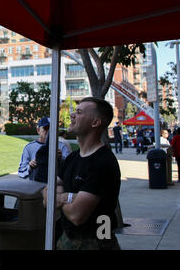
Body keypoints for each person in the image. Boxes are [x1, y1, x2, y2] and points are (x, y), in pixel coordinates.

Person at [42, 97, 121, 250]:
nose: (72, 115)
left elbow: (77, 215)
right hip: (67, 239)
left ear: (95, 123)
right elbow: (46, 194)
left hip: (96, 243)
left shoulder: (102, 162)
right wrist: (69, 197)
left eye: (79, 112)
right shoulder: (73, 158)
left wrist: (57, 197)